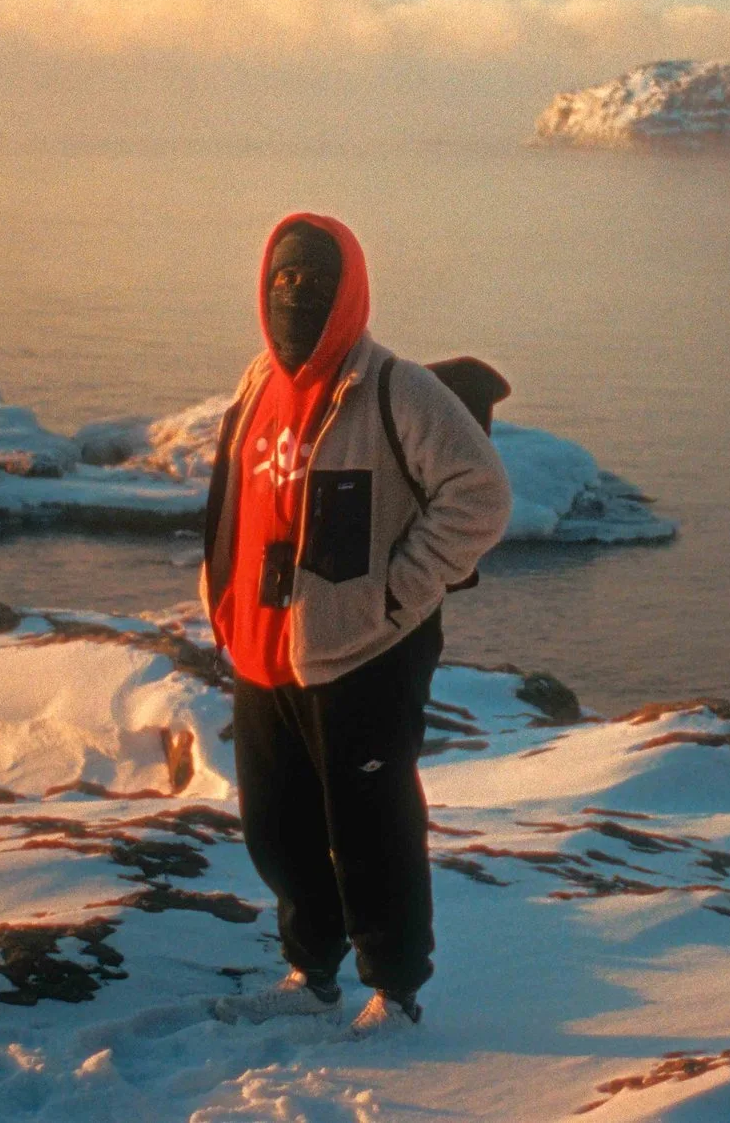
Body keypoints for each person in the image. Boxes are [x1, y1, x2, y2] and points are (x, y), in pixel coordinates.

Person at [201, 213, 512, 1037]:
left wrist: (393, 597)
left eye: (311, 277)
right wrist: (217, 592)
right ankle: (312, 973)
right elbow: (235, 495)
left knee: (373, 830)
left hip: (363, 653)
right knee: (278, 829)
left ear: (349, 291)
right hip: (266, 653)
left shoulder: (394, 389)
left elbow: (480, 497)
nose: (293, 292)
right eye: (281, 277)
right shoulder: (255, 380)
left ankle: (397, 992)